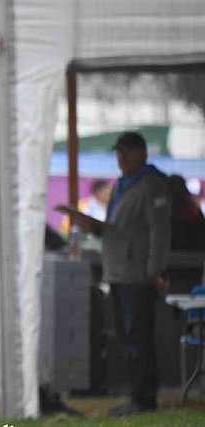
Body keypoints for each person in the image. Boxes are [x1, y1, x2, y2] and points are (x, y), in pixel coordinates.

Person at [80, 131, 170, 416]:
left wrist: (155, 270)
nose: (121, 158)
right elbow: (120, 228)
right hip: (118, 270)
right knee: (126, 336)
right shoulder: (122, 184)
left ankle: (144, 398)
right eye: (119, 152)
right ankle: (137, 395)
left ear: (141, 153)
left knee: (138, 335)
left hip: (138, 273)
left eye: (126, 152)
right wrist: (94, 227)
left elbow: (159, 231)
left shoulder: (151, 184)